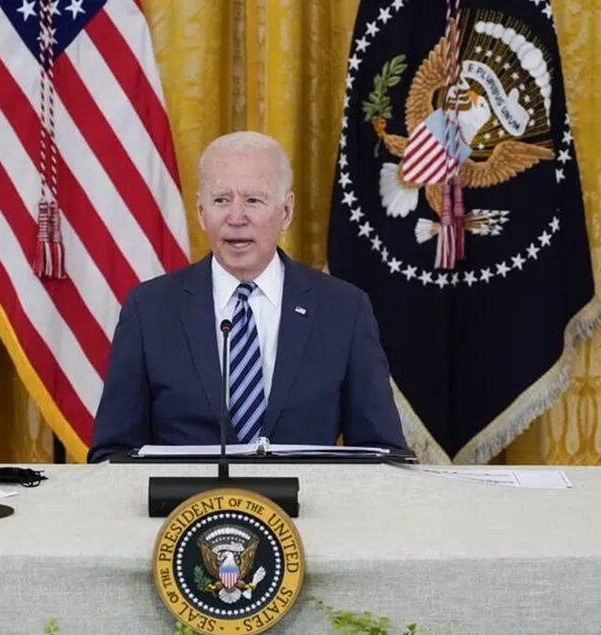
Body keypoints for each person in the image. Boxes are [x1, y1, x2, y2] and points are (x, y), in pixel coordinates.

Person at [87, 131, 406, 462]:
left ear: (286, 211)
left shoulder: (344, 310)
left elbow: (382, 453)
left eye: (253, 200)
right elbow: (113, 454)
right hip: (185, 512)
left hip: (305, 513)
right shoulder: (148, 310)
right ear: (200, 211)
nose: (236, 218)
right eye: (221, 200)